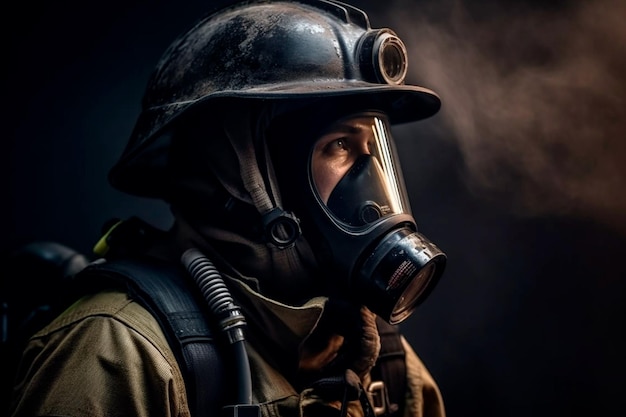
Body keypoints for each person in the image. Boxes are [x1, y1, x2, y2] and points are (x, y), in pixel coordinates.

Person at [8, 1, 448, 416]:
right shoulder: (118, 352)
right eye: (339, 145)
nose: (370, 179)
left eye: (375, 147)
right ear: (241, 178)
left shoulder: (378, 359)